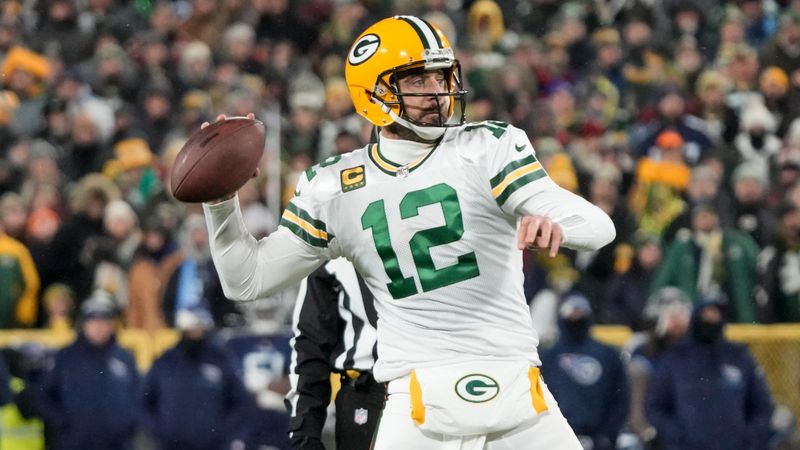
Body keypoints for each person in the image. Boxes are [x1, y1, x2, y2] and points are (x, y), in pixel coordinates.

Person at [203, 15, 615, 449]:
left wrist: (554, 224)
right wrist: (219, 200)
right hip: (415, 400)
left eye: (441, 77)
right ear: (373, 94)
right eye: (417, 81)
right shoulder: (333, 186)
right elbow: (246, 280)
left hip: (518, 390)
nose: (437, 93)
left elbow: (598, 226)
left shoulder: (487, 147)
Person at [645, 299, 774, 450]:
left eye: (715, 315)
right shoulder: (675, 359)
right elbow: (656, 407)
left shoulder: (739, 357)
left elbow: (762, 407)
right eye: (706, 315)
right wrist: (675, 437)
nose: (711, 320)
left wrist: (749, 438)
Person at [286, 258, 382, 450]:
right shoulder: (331, 247)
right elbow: (310, 344)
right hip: (369, 392)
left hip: (373, 390)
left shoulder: (331, 241)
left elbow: (309, 345)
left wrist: (303, 433)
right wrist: (305, 433)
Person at [36, 293, 140, 450]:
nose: (99, 327)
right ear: (84, 324)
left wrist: (127, 425)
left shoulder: (124, 358)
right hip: (75, 442)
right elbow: (44, 394)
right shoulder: (66, 357)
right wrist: (61, 421)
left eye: (104, 321)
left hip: (117, 444)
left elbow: (140, 396)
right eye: (93, 320)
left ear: (112, 325)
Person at [140, 307, 252, 450]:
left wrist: (222, 432)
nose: (195, 332)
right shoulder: (166, 361)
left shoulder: (220, 360)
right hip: (170, 445)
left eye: (198, 328)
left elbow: (240, 402)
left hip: (212, 445)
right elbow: (143, 401)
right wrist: (160, 430)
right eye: (190, 328)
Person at [540, 296, 629, 450]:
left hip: (597, 438)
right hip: (555, 437)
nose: (575, 316)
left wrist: (607, 435)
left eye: (580, 312)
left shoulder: (607, 355)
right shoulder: (547, 358)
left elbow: (620, 398)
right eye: (571, 312)